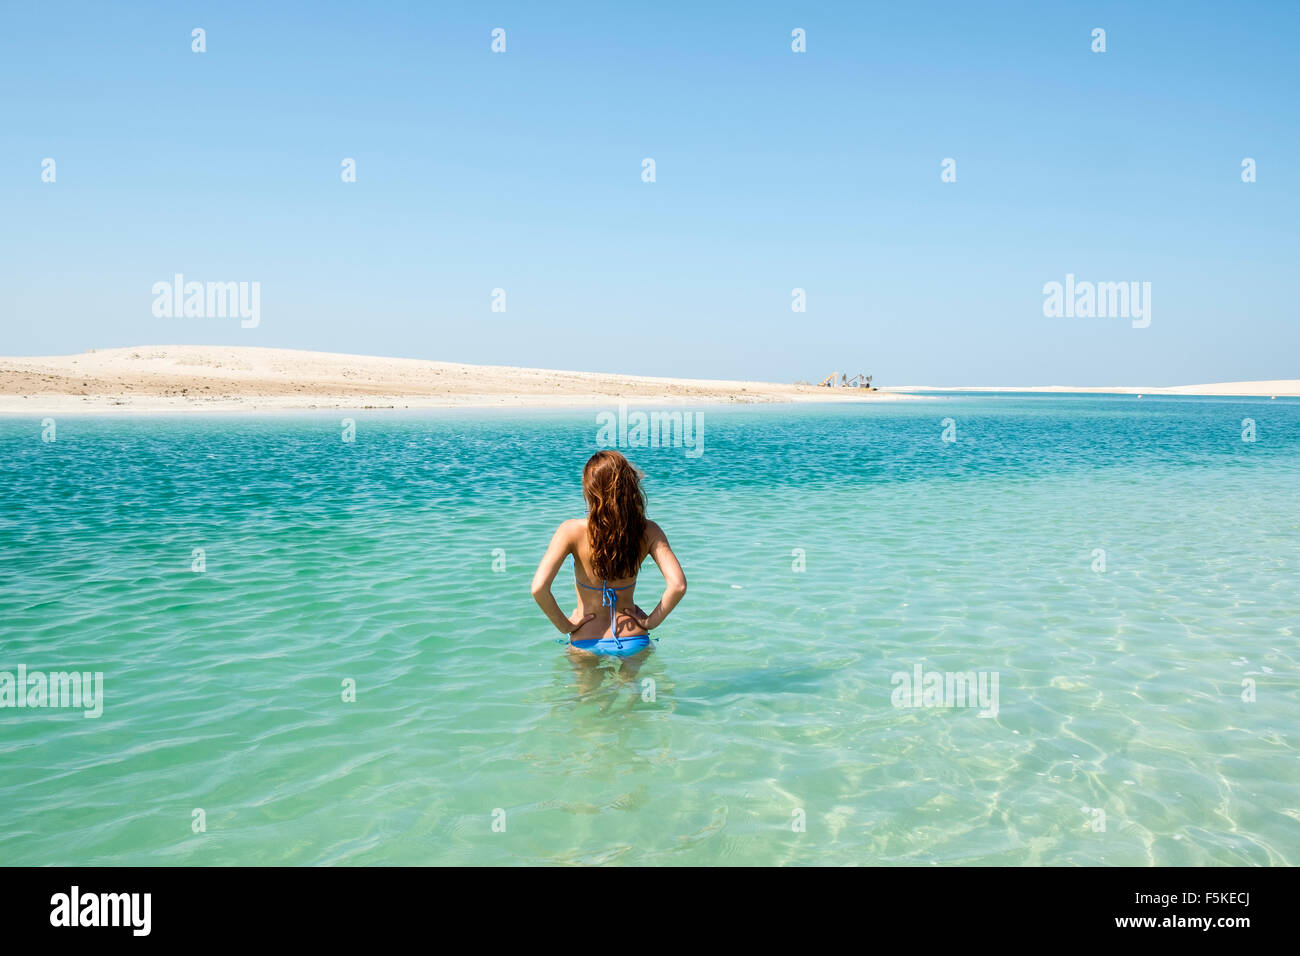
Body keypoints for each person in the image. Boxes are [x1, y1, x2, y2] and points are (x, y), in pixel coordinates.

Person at [530, 450, 686, 661]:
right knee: (634, 692)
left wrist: (566, 626)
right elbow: (678, 585)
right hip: (633, 638)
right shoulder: (649, 531)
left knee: (587, 695)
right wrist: (651, 622)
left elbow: (539, 588)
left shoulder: (570, 531)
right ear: (630, 487)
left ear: (590, 490)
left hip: (586, 640)